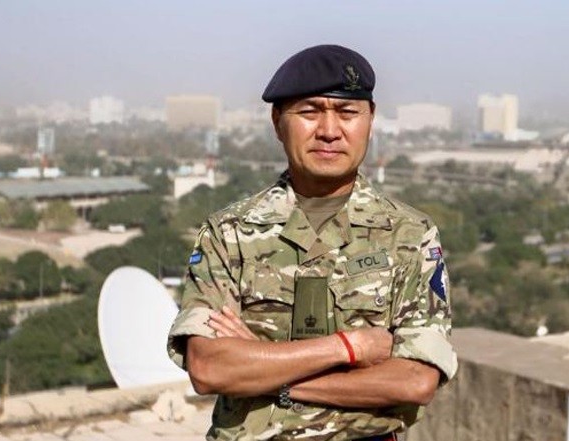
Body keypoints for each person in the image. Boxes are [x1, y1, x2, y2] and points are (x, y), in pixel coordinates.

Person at [167, 44, 457, 441]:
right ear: (277, 122)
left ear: (370, 119)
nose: (329, 131)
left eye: (347, 112)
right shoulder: (229, 234)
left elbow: (414, 380)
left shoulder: (408, 235)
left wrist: (269, 374)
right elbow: (209, 368)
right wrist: (350, 347)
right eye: (309, 111)